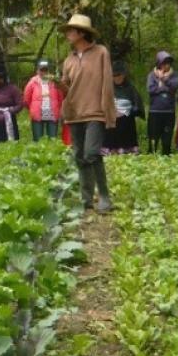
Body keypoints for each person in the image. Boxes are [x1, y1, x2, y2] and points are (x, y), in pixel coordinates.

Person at [59, 14, 116, 213]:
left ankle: (105, 197)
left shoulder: (101, 52)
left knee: (92, 154)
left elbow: (107, 83)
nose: (67, 34)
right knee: (80, 157)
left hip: (95, 112)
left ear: (82, 33)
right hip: (75, 113)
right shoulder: (69, 61)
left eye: (71, 30)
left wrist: (107, 110)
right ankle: (86, 198)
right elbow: (67, 88)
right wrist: (57, 83)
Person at [101, 60, 145, 155]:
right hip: (111, 117)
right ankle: (110, 149)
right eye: (114, 76)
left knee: (125, 121)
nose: (116, 78)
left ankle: (127, 149)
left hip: (126, 119)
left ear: (123, 75)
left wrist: (127, 112)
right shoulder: (107, 88)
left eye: (118, 75)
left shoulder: (130, 88)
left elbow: (137, 106)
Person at [147, 51, 178, 155]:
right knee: (153, 135)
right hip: (155, 111)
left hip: (169, 111)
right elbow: (151, 90)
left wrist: (163, 80)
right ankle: (152, 153)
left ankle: (166, 153)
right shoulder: (152, 75)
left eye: (169, 63)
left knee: (167, 135)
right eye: (165, 62)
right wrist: (164, 88)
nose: (167, 65)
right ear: (159, 63)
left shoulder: (174, 75)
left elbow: (174, 87)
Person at [23, 59, 64, 141]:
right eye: (41, 70)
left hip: (52, 112)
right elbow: (26, 98)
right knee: (38, 139)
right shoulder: (32, 82)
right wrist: (32, 108)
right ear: (37, 70)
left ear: (49, 70)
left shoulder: (54, 80)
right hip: (37, 113)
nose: (44, 72)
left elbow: (60, 97)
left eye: (46, 70)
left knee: (53, 139)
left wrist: (57, 107)